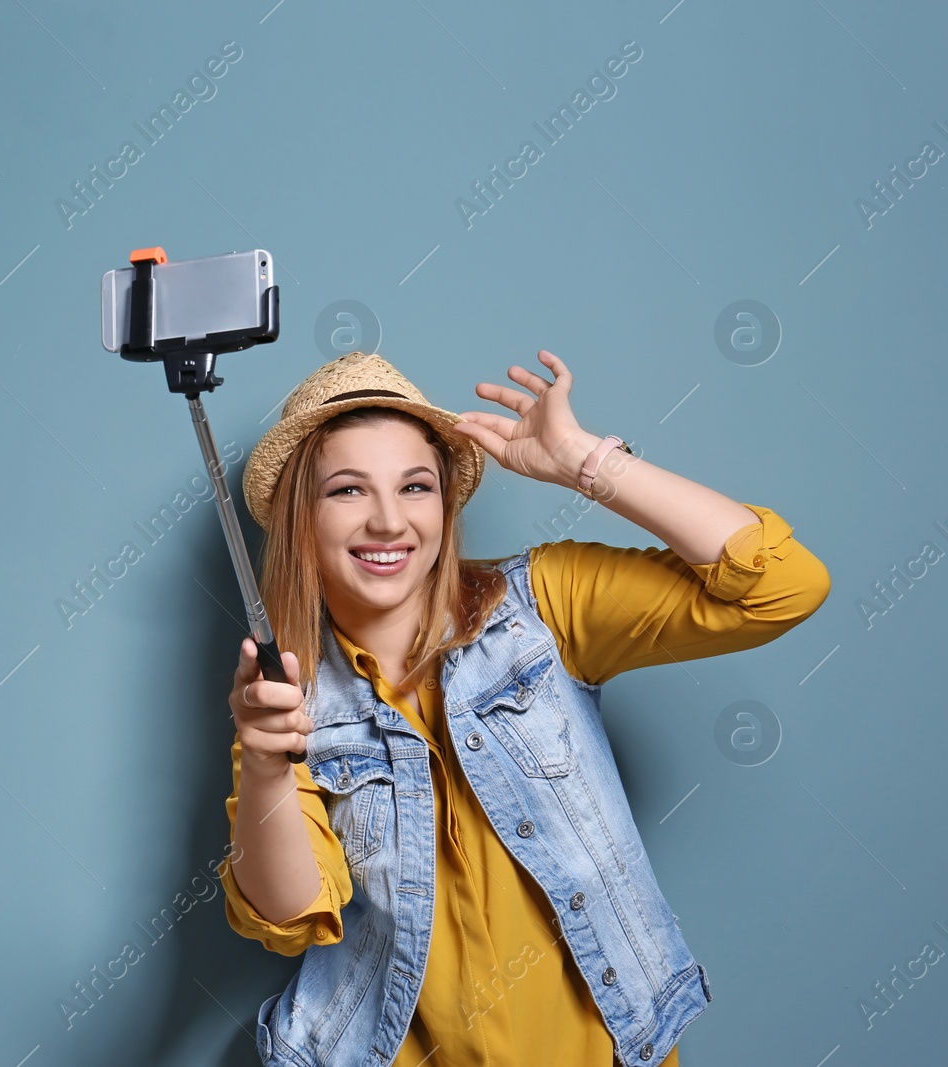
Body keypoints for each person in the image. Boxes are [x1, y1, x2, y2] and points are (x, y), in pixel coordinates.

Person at [219, 350, 830, 1067]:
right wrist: (264, 761)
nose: (389, 520)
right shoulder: (286, 705)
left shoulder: (545, 606)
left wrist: (587, 463)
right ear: (301, 518)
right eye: (348, 491)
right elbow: (287, 918)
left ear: (444, 505)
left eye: (416, 486)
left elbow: (782, 584)